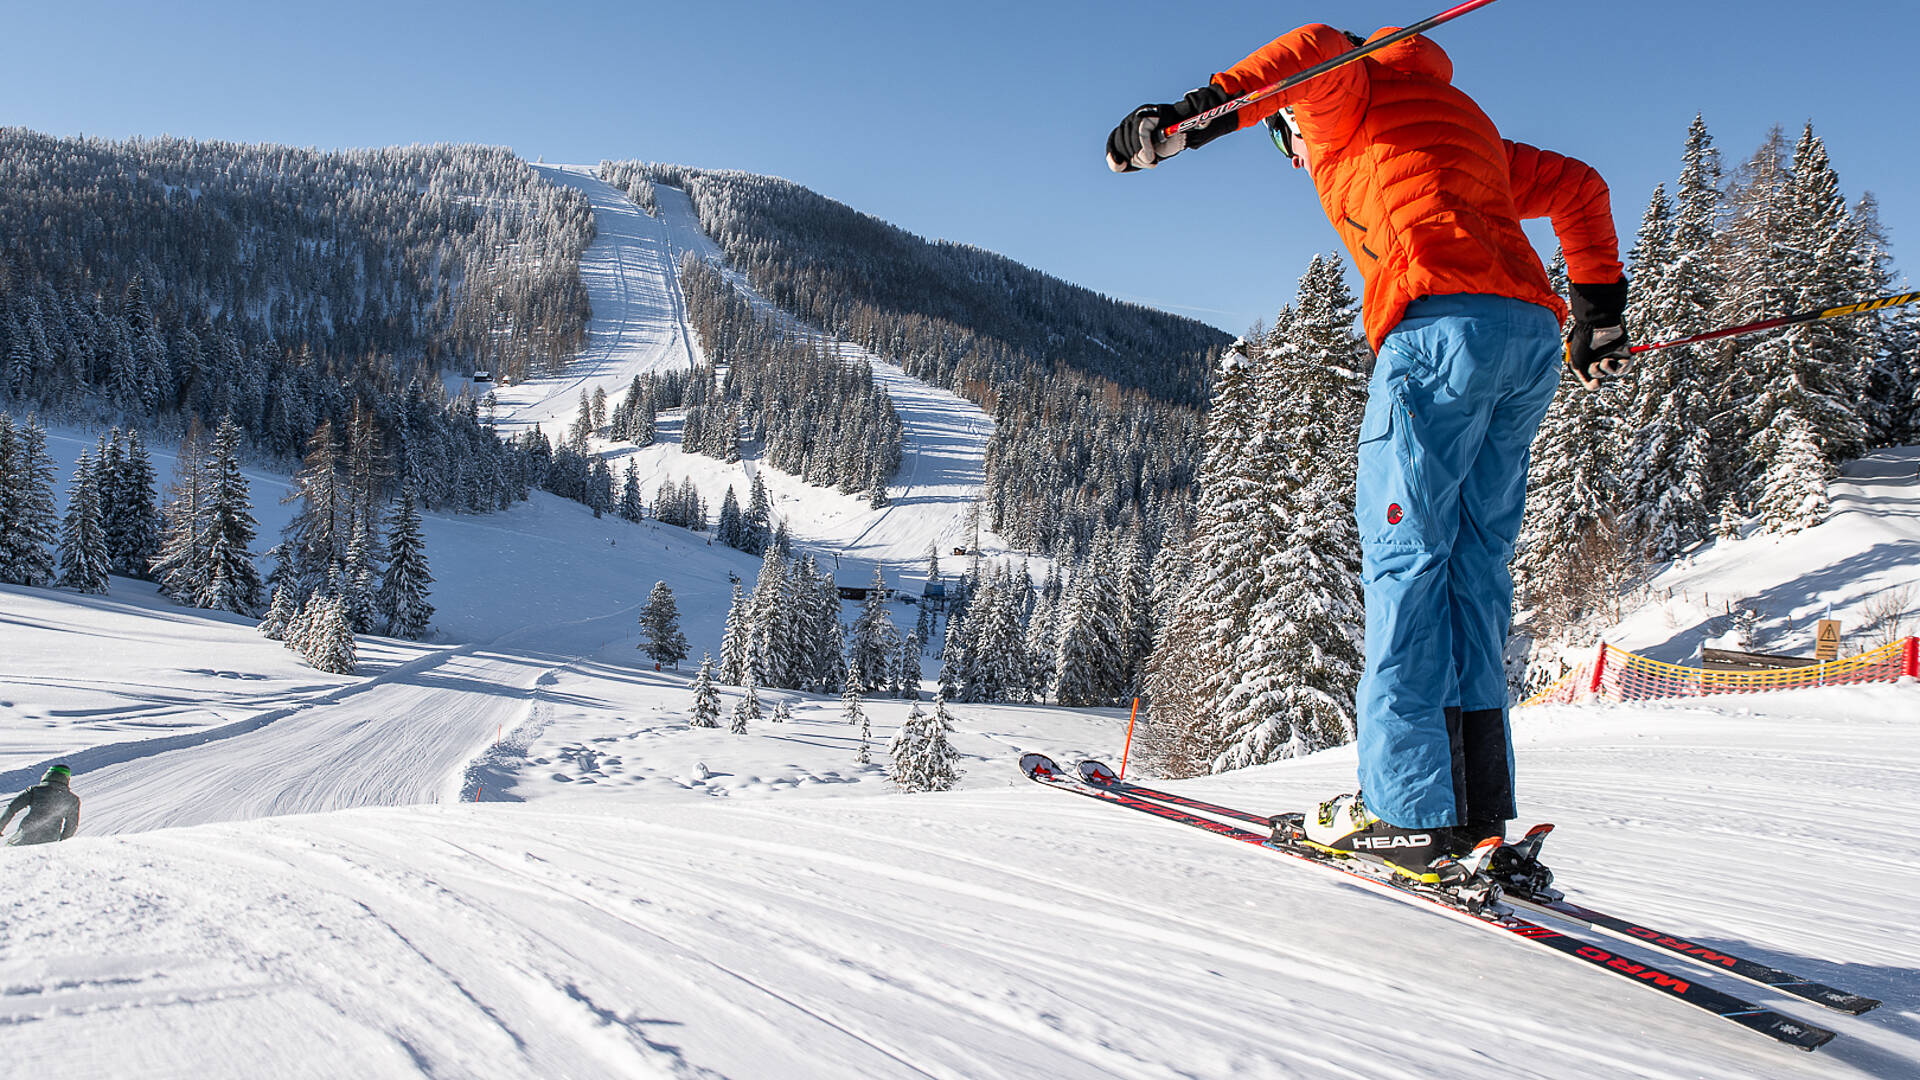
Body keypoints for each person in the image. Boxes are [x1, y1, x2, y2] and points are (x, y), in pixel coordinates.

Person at [1108, 25, 1630, 882]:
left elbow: (1314, 52)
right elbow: (1579, 185)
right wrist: (1599, 314)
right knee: (1472, 567)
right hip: (1526, 343)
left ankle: (1404, 812)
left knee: (1406, 562)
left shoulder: (1350, 100)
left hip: (1437, 339)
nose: (1298, 159)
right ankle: (1470, 805)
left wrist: (1194, 116)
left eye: (1289, 139)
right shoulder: (1466, 127)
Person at [2, 764, 82, 846]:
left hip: (24, 836)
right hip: (49, 842)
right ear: (67, 779)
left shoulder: (35, 791)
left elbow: (11, 808)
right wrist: (61, 844)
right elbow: (71, 826)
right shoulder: (72, 799)